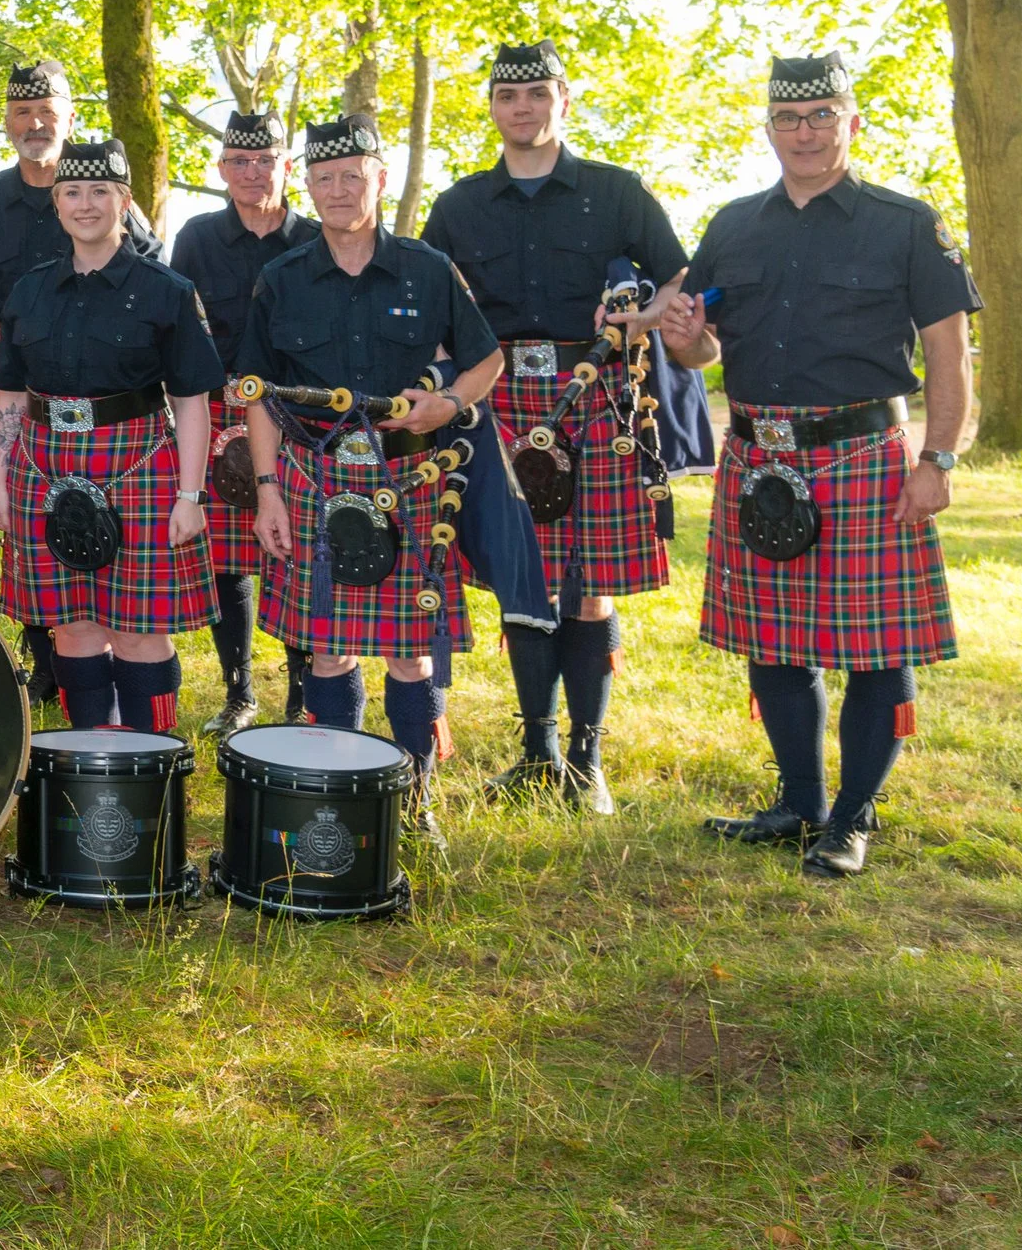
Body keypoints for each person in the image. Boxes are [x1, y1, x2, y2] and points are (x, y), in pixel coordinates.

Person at [663, 52, 978, 879]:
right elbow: (700, 348)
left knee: (875, 646)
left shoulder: (907, 221)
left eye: (822, 116)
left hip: (866, 454)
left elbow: (950, 352)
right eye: (788, 119)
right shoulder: (733, 224)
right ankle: (798, 802)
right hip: (759, 453)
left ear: (852, 122)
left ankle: (852, 816)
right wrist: (680, 336)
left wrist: (938, 457)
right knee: (772, 641)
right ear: (768, 127)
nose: (804, 133)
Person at [419, 41, 688, 813]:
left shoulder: (616, 191)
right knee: (520, 579)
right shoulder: (461, 203)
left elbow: (677, 274)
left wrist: (637, 317)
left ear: (563, 98)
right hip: (499, 396)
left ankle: (585, 760)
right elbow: (432, 296)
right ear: (494, 107)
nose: (523, 108)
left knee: (589, 587)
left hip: (592, 393)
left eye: (537, 93)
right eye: (509, 96)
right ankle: (536, 751)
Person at [234, 115, 504, 840]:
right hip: (312, 478)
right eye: (324, 178)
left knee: (412, 650)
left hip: (410, 479)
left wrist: (448, 402)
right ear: (306, 185)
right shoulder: (280, 279)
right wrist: (266, 491)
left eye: (354, 174)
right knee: (328, 645)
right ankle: (340, 789)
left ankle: (415, 800)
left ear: (381, 178)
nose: (339, 189)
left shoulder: (426, 267)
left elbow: (487, 359)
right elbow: (258, 393)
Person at [0, 139, 225, 734]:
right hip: (43, 464)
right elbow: (10, 396)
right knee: (71, 624)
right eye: (72, 192)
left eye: (99, 192)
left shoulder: (167, 290)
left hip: (138, 461)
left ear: (124, 200)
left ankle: (151, 759)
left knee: (139, 627)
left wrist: (190, 496)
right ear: (56, 203)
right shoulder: (29, 290)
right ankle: (89, 755)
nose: (84, 204)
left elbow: (191, 402)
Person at [0, 57, 158, 705]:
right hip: (18, 378)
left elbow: (153, 283)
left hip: (105, 394)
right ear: (7, 122)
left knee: (92, 529)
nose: (35, 122)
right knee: (26, 528)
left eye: (47, 110)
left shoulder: (105, 191)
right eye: (22, 112)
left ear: (69, 116)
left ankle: (84, 659)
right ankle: (44, 656)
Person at [168, 108, 321, 739]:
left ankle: (302, 693)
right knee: (226, 563)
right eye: (239, 162)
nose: (252, 173)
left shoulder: (317, 236)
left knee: (297, 554)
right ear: (222, 168)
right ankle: (239, 693)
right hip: (221, 409)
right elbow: (182, 330)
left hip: (303, 414)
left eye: (264, 161)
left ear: (286, 167)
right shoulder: (198, 237)